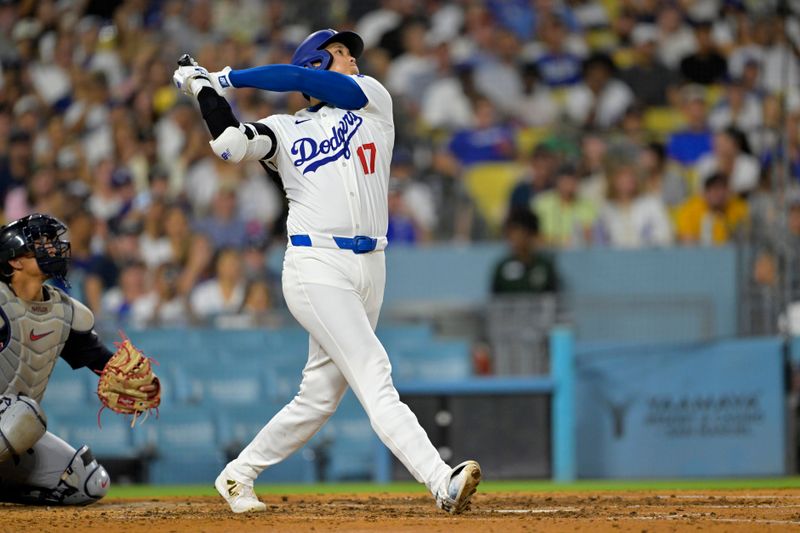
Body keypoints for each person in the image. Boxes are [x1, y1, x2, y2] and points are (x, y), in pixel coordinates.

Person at [173, 28, 480, 514]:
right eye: (339, 53)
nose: (352, 59)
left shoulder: (372, 100)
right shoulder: (284, 128)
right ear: (317, 66)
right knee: (373, 371)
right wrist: (203, 88)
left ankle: (238, 474)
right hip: (315, 264)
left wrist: (227, 75)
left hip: (371, 265)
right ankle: (440, 480)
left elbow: (295, 76)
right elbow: (230, 145)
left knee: (318, 398)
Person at [0, 213, 159, 505]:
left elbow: (99, 359)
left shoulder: (62, 313)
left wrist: (135, 382)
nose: (52, 248)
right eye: (40, 243)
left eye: (52, 242)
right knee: (25, 413)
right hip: (13, 419)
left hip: (12, 431)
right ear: (14, 260)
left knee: (88, 483)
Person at [491, 208, 558, 295]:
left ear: (530, 234)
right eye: (509, 233)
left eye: (517, 232)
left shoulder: (545, 266)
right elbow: (494, 303)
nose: (512, 238)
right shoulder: (501, 268)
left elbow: (554, 301)